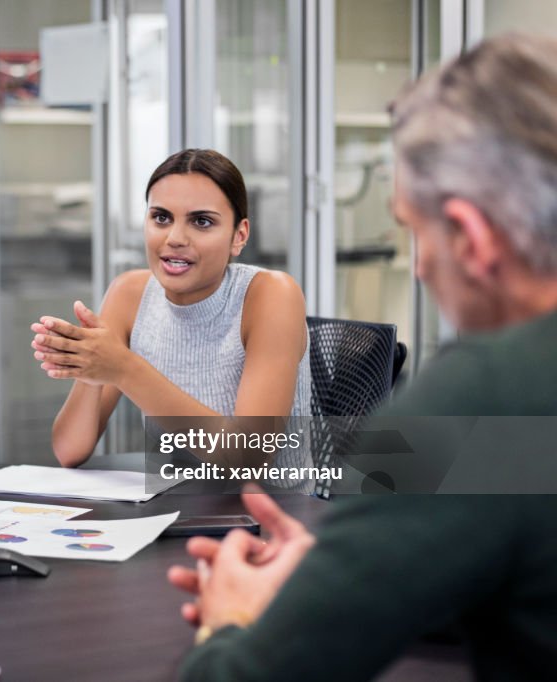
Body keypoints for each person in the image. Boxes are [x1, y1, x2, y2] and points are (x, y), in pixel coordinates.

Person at [168, 32, 557, 680]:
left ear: (469, 236)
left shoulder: (479, 401)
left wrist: (235, 617)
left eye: (414, 230)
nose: (423, 267)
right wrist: (345, 571)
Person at [31, 149, 311, 474]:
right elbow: (69, 451)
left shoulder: (271, 294)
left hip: (267, 512)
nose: (175, 238)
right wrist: (90, 370)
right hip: (174, 505)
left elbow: (248, 459)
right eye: (161, 217)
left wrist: (123, 368)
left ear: (239, 236)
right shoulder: (128, 293)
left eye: (202, 221)